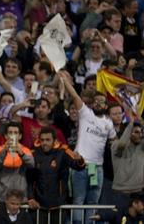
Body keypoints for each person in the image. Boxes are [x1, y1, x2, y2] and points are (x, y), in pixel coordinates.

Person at [59, 71, 117, 224]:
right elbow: (75, 96)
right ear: (92, 104)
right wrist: (65, 81)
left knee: (93, 203)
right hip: (80, 166)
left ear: (106, 106)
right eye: (96, 101)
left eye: (102, 102)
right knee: (78, 200)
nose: (98, 103)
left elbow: (115, 143)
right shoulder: (85, 113)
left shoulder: (109, 123)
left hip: (97, 168)